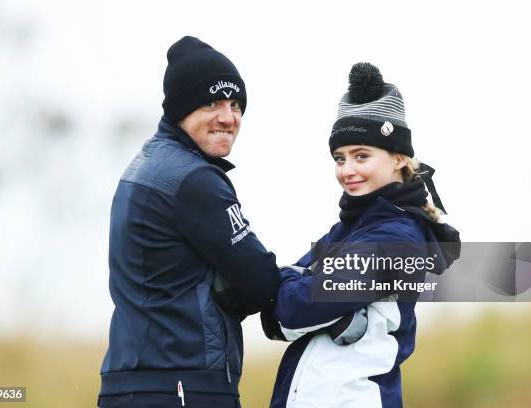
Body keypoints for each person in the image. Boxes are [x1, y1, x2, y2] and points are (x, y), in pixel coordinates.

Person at [262, 63, 461, 407]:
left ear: (399, 157)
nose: (347, 170)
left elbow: (293, 307)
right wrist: (299, 300)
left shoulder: (400, 239)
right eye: (340, 158)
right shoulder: (352, 228)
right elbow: (280, 292)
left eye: (361, 156)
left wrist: (295, 299)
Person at [98, 36, 280, 408]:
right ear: (181, 108)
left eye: (235, 104)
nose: (228, 117)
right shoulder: (192, 179)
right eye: (211, 103)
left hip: (134, 383)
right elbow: (263, 283)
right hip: (181, 386)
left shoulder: (147, 165)